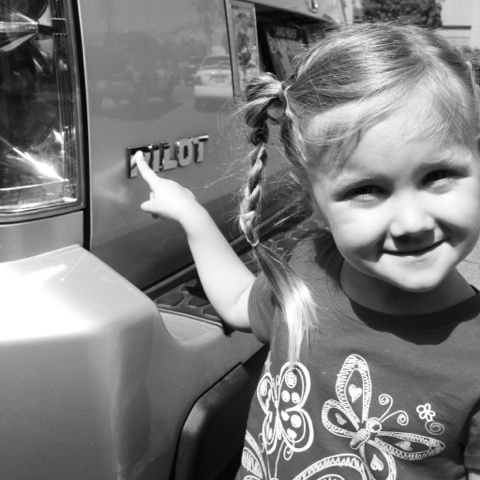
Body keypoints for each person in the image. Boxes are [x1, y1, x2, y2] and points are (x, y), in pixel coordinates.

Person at [134, 22, 480, 480]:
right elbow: (238, 301)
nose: (412, 223)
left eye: (437, 175)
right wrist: (191, 214)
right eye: (366, 189)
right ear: (312, 197)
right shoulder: (307, 269)